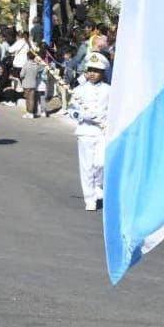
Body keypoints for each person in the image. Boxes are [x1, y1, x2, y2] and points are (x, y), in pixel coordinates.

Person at [70, 52, 110, 210]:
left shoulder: (109, 90)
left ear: (102, 73)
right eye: (90, 70)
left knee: (100, 163)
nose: (92, 74)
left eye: (96, 71)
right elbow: (72, 111)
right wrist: (84, 115)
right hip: (85, 131)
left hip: (102, 132)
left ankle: (98, 184)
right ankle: (90, 198)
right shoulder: (80, 90)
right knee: (86, 167)